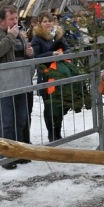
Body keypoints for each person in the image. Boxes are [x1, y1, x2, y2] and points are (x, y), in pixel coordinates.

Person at [0, 4, 33, 170]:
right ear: (1, 20)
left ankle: (20, 151)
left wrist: (29, 54)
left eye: (16, 18)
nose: (14, 21)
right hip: (4, 84)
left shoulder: (19, 33)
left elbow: (22, 52)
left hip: (21, 82)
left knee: (21, 119)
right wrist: (11, 36)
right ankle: (6, 155)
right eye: (11, 19)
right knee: (7, 121)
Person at [31, 11, 71, 142]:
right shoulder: (37, 39)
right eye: (45, 21)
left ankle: (58, 131)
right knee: (49, 106)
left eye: (49, 21)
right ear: (40, 24)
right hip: (46, 76)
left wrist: (63, 54)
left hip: (60, 75)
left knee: (60, 105)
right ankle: (51, 133)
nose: (48, 24)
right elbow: (35, 58)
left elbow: (68, 49)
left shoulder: (58, 36)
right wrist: (50, 54)